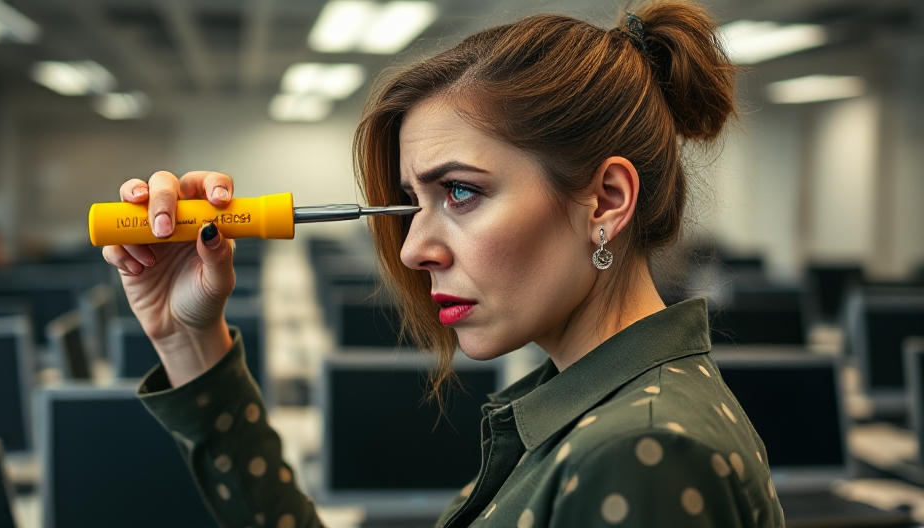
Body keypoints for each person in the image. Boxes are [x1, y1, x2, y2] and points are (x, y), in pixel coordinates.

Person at [102, 1, 785, 526]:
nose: (410, 249)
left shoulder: (641, 449)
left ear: (605, 201)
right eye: (411, 201)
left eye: (460, 192)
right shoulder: (593, 416)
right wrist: (188, 340)